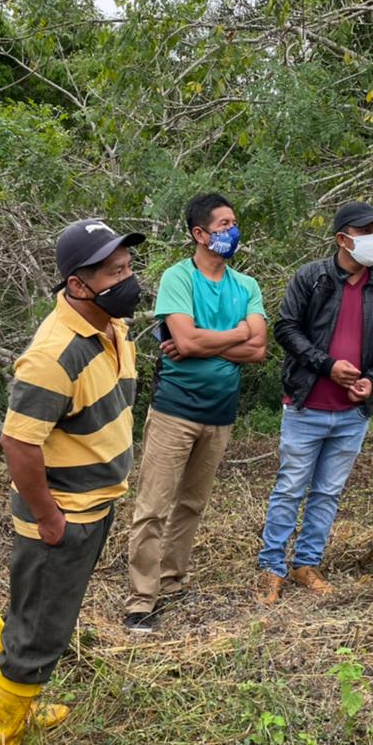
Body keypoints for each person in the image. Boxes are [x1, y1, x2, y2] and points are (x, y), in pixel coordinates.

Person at [0, 218, 144, 745]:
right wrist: (50, 517)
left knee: (40, 612)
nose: (128, 279)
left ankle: (23, 705)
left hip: (94, 504)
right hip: (64, 515)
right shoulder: (54, 354)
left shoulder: (111, 327)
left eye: (128, 267)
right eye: (113, 272)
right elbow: (18, 443)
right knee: (38, 628)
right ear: (78, 284)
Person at [122, 193, 267, 634]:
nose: (232, 231)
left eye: (234, 223)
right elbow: (184, 342)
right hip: (175, 410)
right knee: (153, 506)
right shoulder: (178, 278)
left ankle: (171, 582)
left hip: (220, 413)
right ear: (199, 234)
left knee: (191, 504)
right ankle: (141, 600)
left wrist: (205, 341)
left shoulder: (247, 285)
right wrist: (237, 333)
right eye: (223, 225)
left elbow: (259, 350)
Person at [257, 201, 373, 602]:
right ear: (343, 239)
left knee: (328, 492)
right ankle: (271, 568)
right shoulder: (311, 278)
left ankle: (306, 564)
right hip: (306, 404)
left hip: (352, 413)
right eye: (365, 232)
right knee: (290, 488)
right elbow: (286, 328)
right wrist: (326, 365)